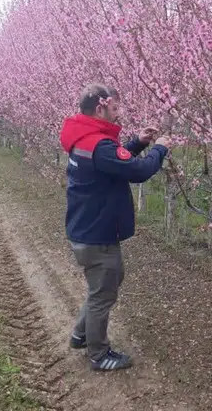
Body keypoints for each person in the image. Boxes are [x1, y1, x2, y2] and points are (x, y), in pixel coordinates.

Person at [59, 83, 171, 372]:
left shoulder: (83, 139)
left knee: (104, 284)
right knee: (104, 292)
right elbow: (138, 171)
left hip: (85, 228)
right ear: (101, 107)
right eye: (116, 107)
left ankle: (80, 334)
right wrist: (160, 149)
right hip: (98, 233)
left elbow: (112, 161)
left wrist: (138, 142)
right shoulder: (100, 145)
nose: (118, 113)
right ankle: (98, 354)